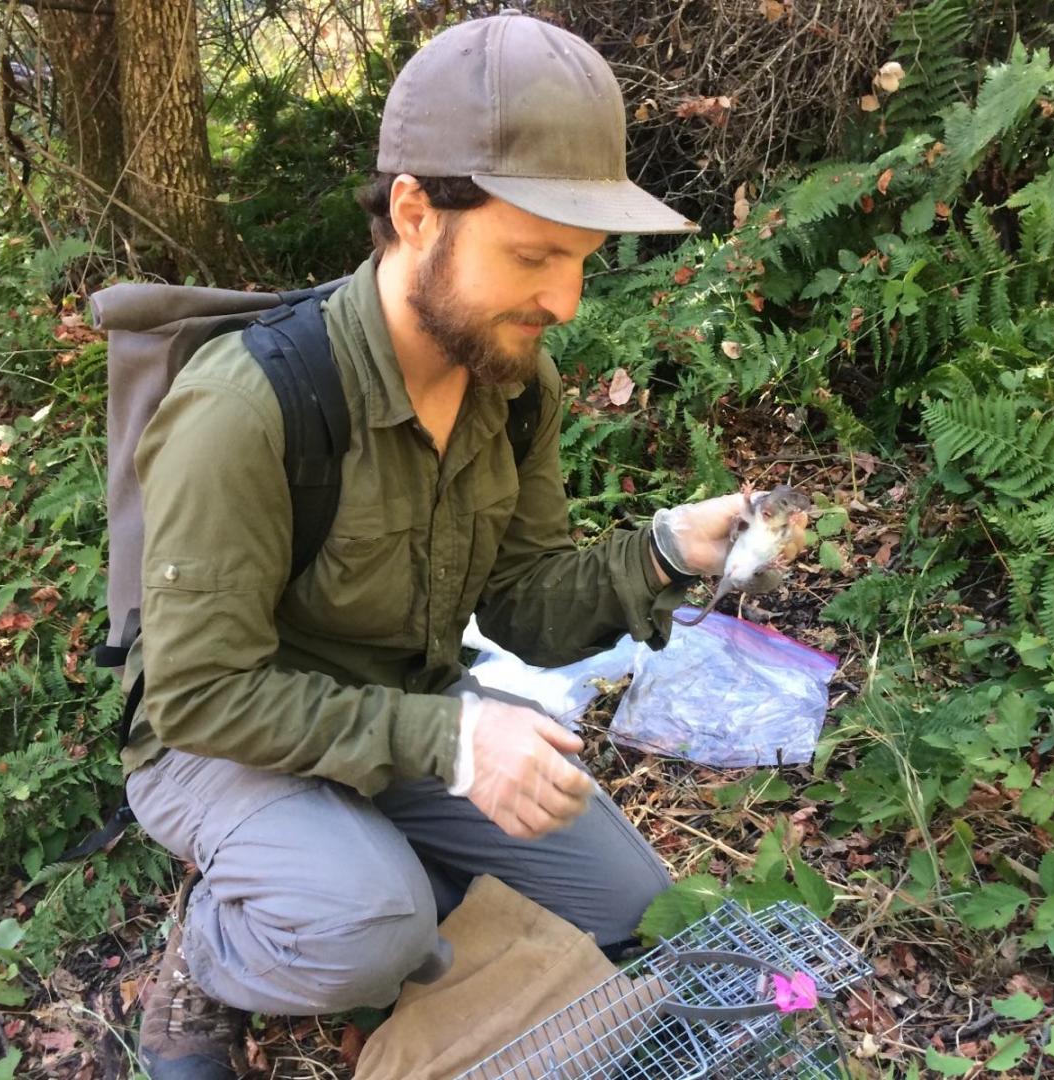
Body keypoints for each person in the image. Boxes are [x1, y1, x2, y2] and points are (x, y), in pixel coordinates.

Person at [125, 11, 755, 1077]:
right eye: (533, 255)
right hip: (229, 741)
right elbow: (197, 695)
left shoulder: (513, 384)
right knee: (369, 933)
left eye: (585, 260)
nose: (565, 300)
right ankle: (209, 958)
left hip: (400, 715)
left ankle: (373, 867)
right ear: (415, 214)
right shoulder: (247, 408)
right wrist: (460, 748)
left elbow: (519, 604)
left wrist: (660, 553)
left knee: (633, 909)